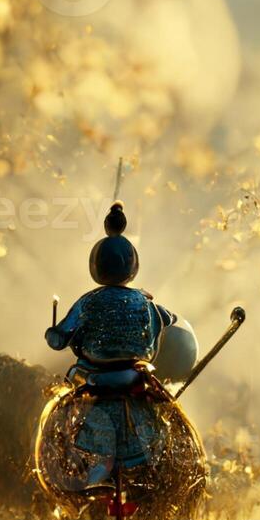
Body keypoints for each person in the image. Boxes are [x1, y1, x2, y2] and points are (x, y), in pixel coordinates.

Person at [44, 201, 198, 484]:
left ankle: (90, 473)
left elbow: (59, 339)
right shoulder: (144, 301)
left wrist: (53, 332)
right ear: (133, 264)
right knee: (153, 432)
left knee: (82, 429)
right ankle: (155, 473)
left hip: (97, 381)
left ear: (96, 265)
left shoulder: (88, 302)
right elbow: (167, 319)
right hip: (132, 379)